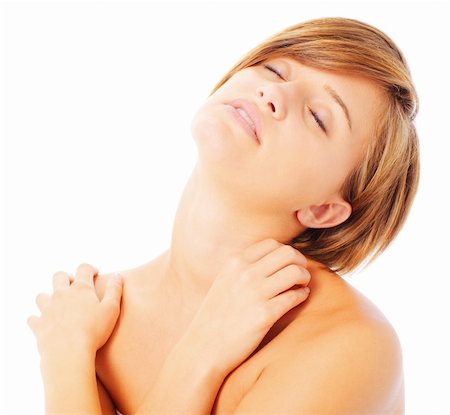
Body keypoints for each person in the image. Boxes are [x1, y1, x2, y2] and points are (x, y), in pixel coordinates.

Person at [27, 16, 419, 414]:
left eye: (318, 117)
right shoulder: (93, 317)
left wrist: (195, 357)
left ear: (323, 210)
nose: (273, 93)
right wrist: (66, 355)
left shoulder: (347, 343)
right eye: (275, 69)